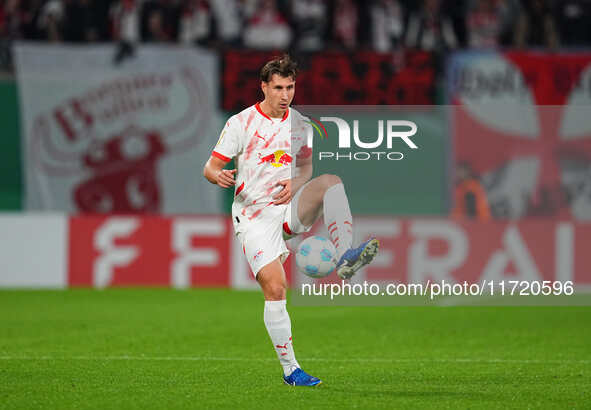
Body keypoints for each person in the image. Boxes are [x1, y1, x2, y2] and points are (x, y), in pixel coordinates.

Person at [203, 54, 379, 386]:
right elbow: (210, 165)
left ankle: (346, 256)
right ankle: (291, 370)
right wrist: (218, 176)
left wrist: (295, 184)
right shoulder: (240, 124)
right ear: (264, 87)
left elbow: (306, 170)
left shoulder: (299, 123)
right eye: (279, 88)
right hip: (254, 216)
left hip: (286, 209)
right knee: (275, 287)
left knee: (330, 182)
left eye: (291, 87)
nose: (286, 95)